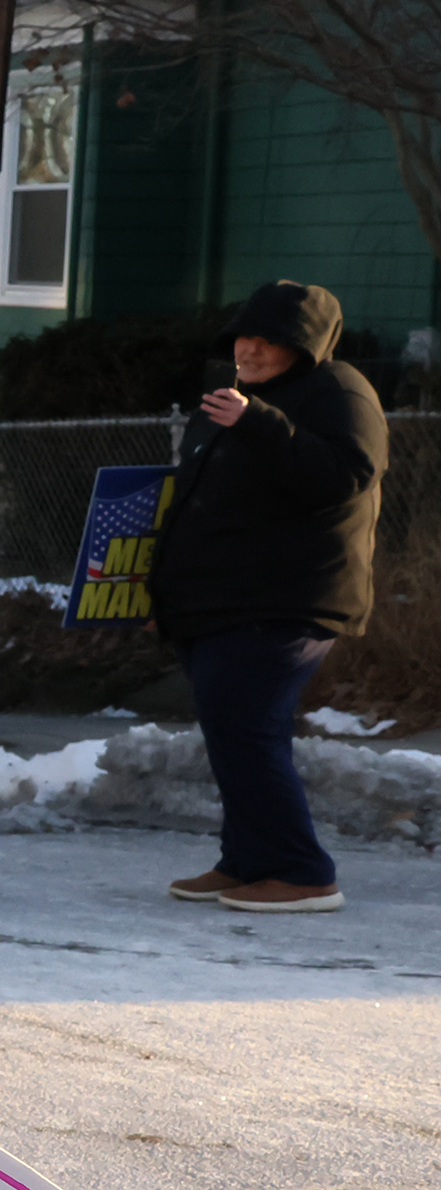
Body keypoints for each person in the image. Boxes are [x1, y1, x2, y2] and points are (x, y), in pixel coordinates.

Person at [149, 279, 388, 915]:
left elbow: (346, 475)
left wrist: (260, 423)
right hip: (220, 598)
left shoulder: (338, 391)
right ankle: (249, 861)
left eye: (269, 340)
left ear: (305, 346)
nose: (249, 350)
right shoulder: (240, 397)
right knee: (231, 728)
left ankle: (302, 871)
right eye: (244, 337)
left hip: (287, 597)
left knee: (246, 725)